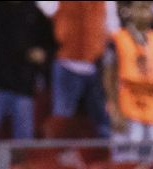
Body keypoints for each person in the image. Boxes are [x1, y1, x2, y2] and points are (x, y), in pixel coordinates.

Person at [0, 2, 55, 140]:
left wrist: (43, 53)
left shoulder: (33, 12)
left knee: (24, 143)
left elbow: (51, 44)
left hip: (22, 86)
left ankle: (20, 163)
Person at [36, 1, 117, 138]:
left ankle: (108, 155)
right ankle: (57, 155)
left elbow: (113, 28)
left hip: (95, 65)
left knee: (103, 119)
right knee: (62, 118)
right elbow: (43, 10)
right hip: (67, 63)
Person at [104, 1, 153, 163]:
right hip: (126, 101)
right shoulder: (118, 38)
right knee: (128, 149)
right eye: (140, 8)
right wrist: (114, 108)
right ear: (129, 11)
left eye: (147, 8)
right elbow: (108, 74)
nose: (144, 13)